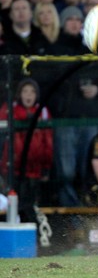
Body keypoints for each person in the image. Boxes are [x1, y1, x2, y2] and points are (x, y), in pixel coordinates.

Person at [0, 78, 53, 222]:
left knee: (30, 203)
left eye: (32, 91)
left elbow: (48, 141)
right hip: (12, 168)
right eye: (25, 91)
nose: (29, 95)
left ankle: (32, 235)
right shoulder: (9, 108)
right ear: (19, 93)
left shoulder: (42, 111)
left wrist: (46, 167)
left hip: (35, 168)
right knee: (12, 202)